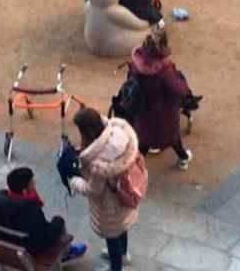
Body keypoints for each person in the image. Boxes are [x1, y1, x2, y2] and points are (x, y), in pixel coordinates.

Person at [67, 108, 140, 271]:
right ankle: (123, 254)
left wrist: (74, 181)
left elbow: (93, 190)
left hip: (110, 207)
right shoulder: (119, 134)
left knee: (112, 237)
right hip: (126, 197)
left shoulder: (98, 163)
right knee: (123, 228)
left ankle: (116, 267)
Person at [0, 166, 87, 264]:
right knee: (58, 222)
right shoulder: (29, 208)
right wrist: (57, 222)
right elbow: (43, 238)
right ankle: (67, 253)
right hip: (27, 253)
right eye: (32, 183)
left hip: (4, 247)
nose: (34, 184)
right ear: (24, 191)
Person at [131, 34, 194, 169]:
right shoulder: (163, 71)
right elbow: (179, 90)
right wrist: (184, 86)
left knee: (145, 138)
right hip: (163, 112)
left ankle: (134, 166)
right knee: (172, 137)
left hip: (143, 111)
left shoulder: (136, 64)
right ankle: (183, 158)